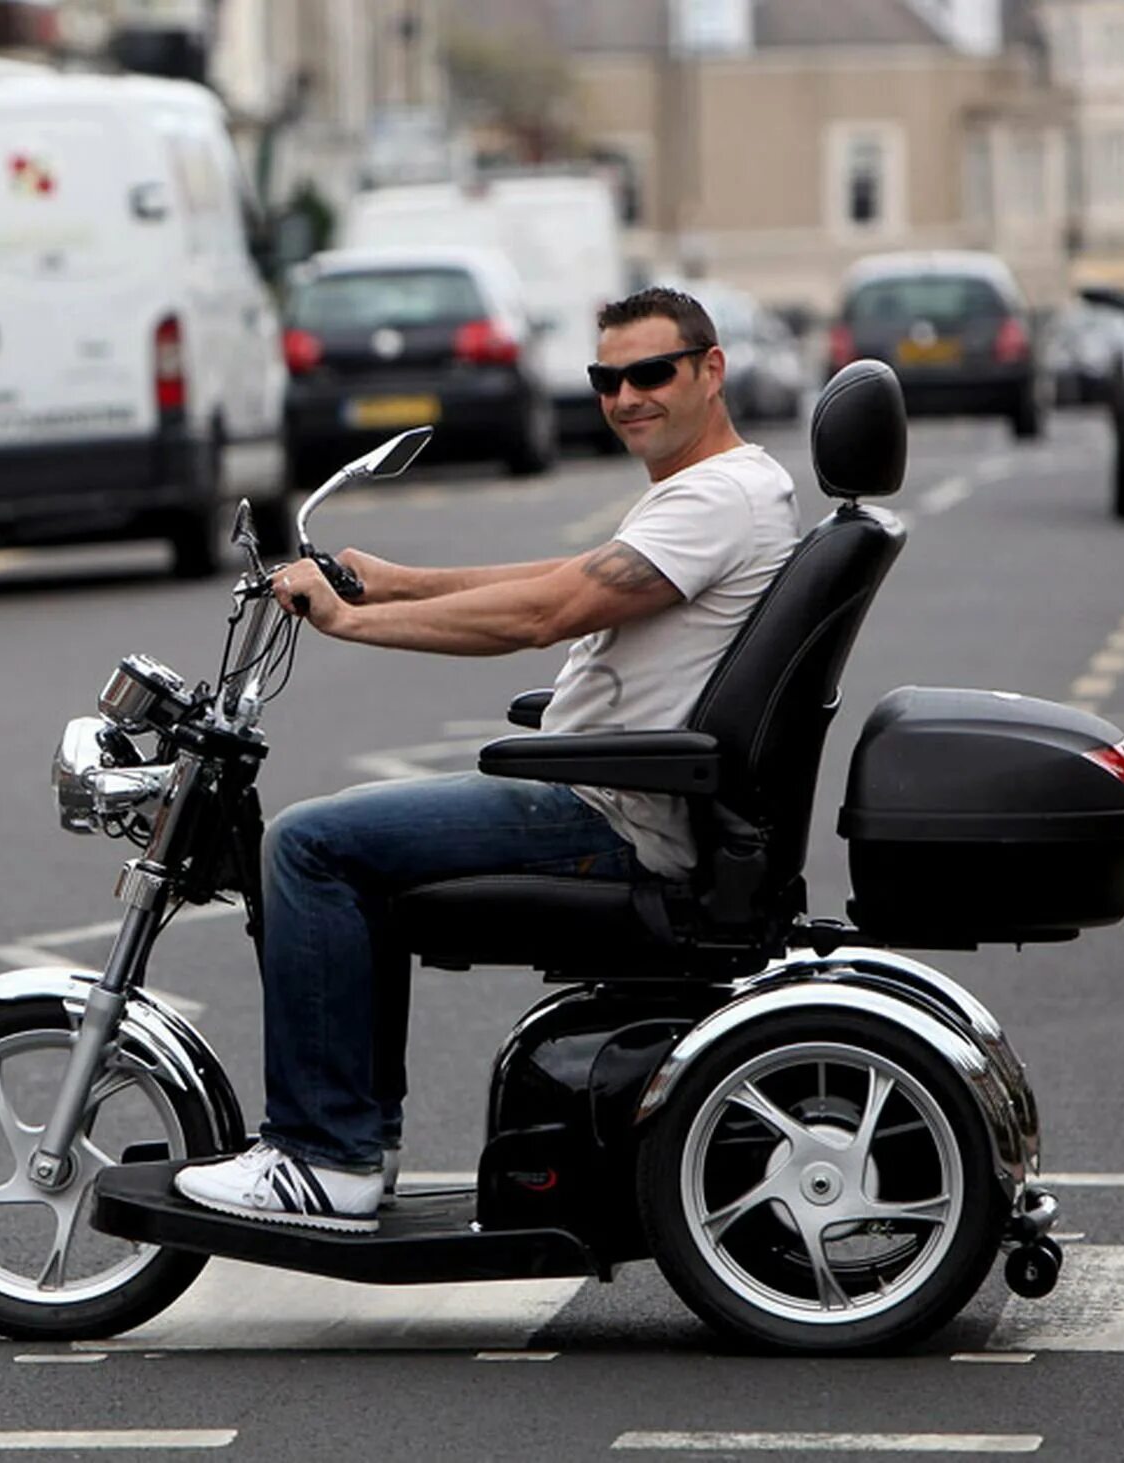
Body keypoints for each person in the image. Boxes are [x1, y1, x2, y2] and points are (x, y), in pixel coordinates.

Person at [175, 288, 802, 1233]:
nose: (625, 395)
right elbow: (560, 579)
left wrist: (351, 621)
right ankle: (355, 1144)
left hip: (609, 816)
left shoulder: (716, 499)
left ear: (710, 369)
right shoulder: (721, 490)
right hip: (614, 792)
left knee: (310, 845)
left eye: (651, 373)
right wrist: (395, 582)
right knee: (352, 851)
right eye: (606, 378)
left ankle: (323, 1157)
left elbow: (541, 616)